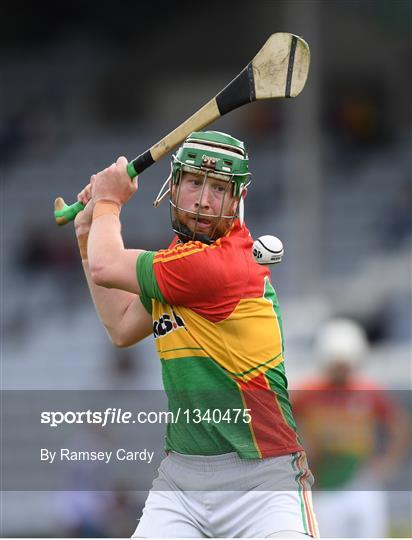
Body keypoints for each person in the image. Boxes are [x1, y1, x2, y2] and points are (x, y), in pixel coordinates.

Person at [74, 131, 319, 538]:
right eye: (194, 183)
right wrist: (87, 233)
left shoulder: (217, 265)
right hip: (181, 482)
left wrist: (108, 200)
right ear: (173, 187)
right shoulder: (174, 264)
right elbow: (119, 325)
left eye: (219, 188)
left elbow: (107, 266)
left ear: (237, 198)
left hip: (262, 481)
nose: (204, 199)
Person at [293, 318, 407, 538]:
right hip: (324, 481)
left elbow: (398, 423)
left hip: (361, 478)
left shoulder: (367, 390)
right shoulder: (308, 392)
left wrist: (388, 461)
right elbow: (283, 422)